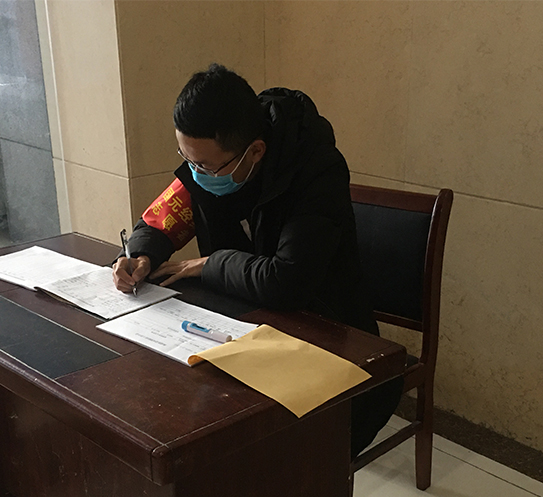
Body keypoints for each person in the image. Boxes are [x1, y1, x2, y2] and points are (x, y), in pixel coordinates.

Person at [113, 64, 401, 457]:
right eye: (186, 159)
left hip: (327, 335)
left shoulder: (316, 172)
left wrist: (209, 264)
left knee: (268, 453)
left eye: (204, 166)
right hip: (243, 328)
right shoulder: (214, 163)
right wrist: (140, 254)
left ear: (255, 151)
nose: (195, 174)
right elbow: (164, 217)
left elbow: (286, 281)